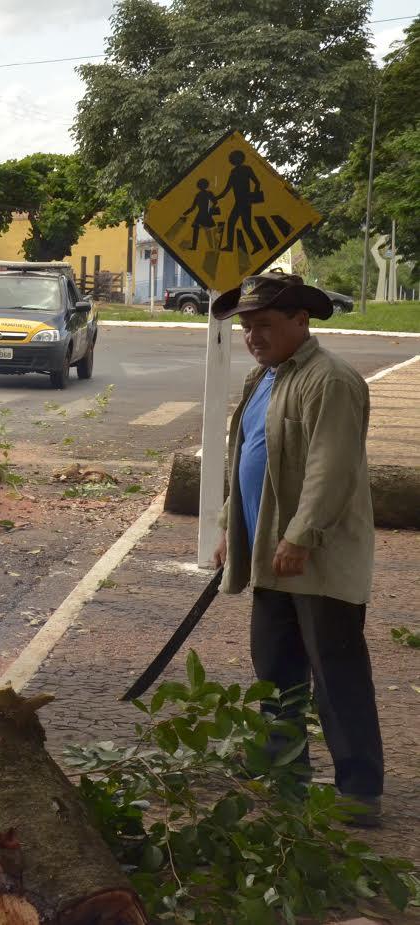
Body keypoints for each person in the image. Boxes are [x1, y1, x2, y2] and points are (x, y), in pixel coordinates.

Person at [210, 271, 383, 826]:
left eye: (264, 325)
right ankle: (284, 771)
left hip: (314, 558)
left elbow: (330, 469)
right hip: (270, 556)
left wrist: (301, 536)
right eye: (247, 328)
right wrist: (226, 528)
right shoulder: (266, 378)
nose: (253, 337)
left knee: (336, 674)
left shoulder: (330, 380)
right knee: (275, 670)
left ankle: (359, 792)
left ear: (301, 322)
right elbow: (245, 460)